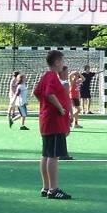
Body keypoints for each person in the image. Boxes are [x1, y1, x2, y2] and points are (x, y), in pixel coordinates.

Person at [34, 49, 74, 199]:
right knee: (53, 156)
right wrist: (59, 108)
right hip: (54, 121)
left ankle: (46, 187)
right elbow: (49, 94)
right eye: (62, 61)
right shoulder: (51, 76)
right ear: (57, 62)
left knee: (46, 154)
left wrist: (45, 106)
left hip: (47, 120)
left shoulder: (46, 76)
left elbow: (37, 93)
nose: (63, 64)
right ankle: (53, 189)